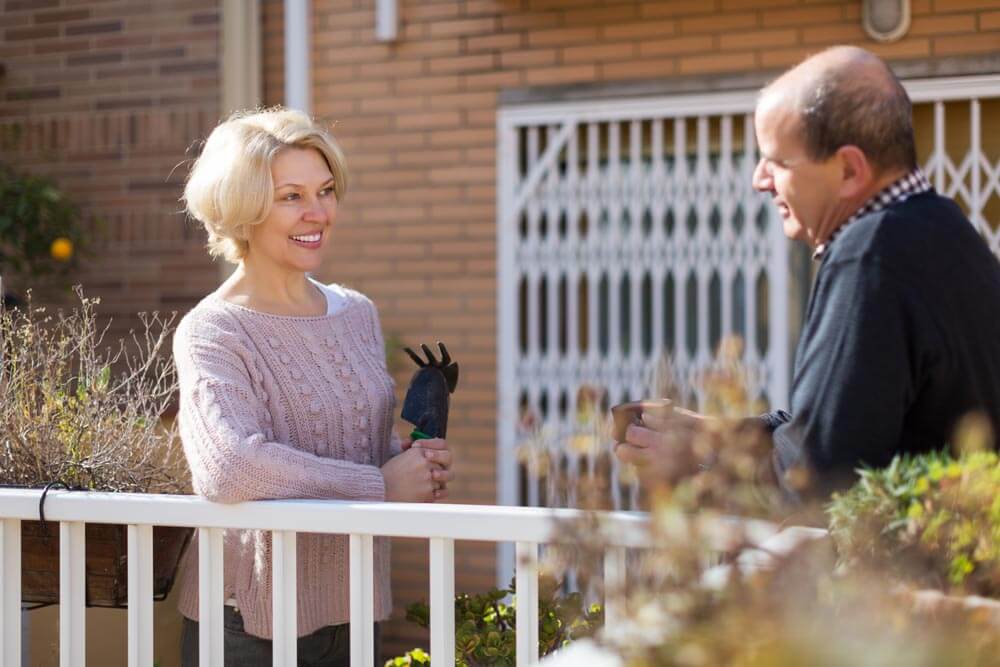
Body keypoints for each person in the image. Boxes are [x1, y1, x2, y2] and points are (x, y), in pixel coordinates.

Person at [614, 46, 1000, 497]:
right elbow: (843, 424)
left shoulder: (870, 253)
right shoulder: (947, 231)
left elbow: (817, 472)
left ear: (850, 170)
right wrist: (717, 435)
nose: (760, 179)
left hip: (913, 565)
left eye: (777, 161)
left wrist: (700, 461)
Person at [173, 107, 454, 666]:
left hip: (353, 609)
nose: (318, 212)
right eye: (291, 196)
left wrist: (406, 462)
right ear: (242, 209)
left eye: (325, 191)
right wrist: (379, 483)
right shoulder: (213, 329)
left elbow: (346, 449)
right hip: (248, 620)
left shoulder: (356, 313)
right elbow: (230, 468)